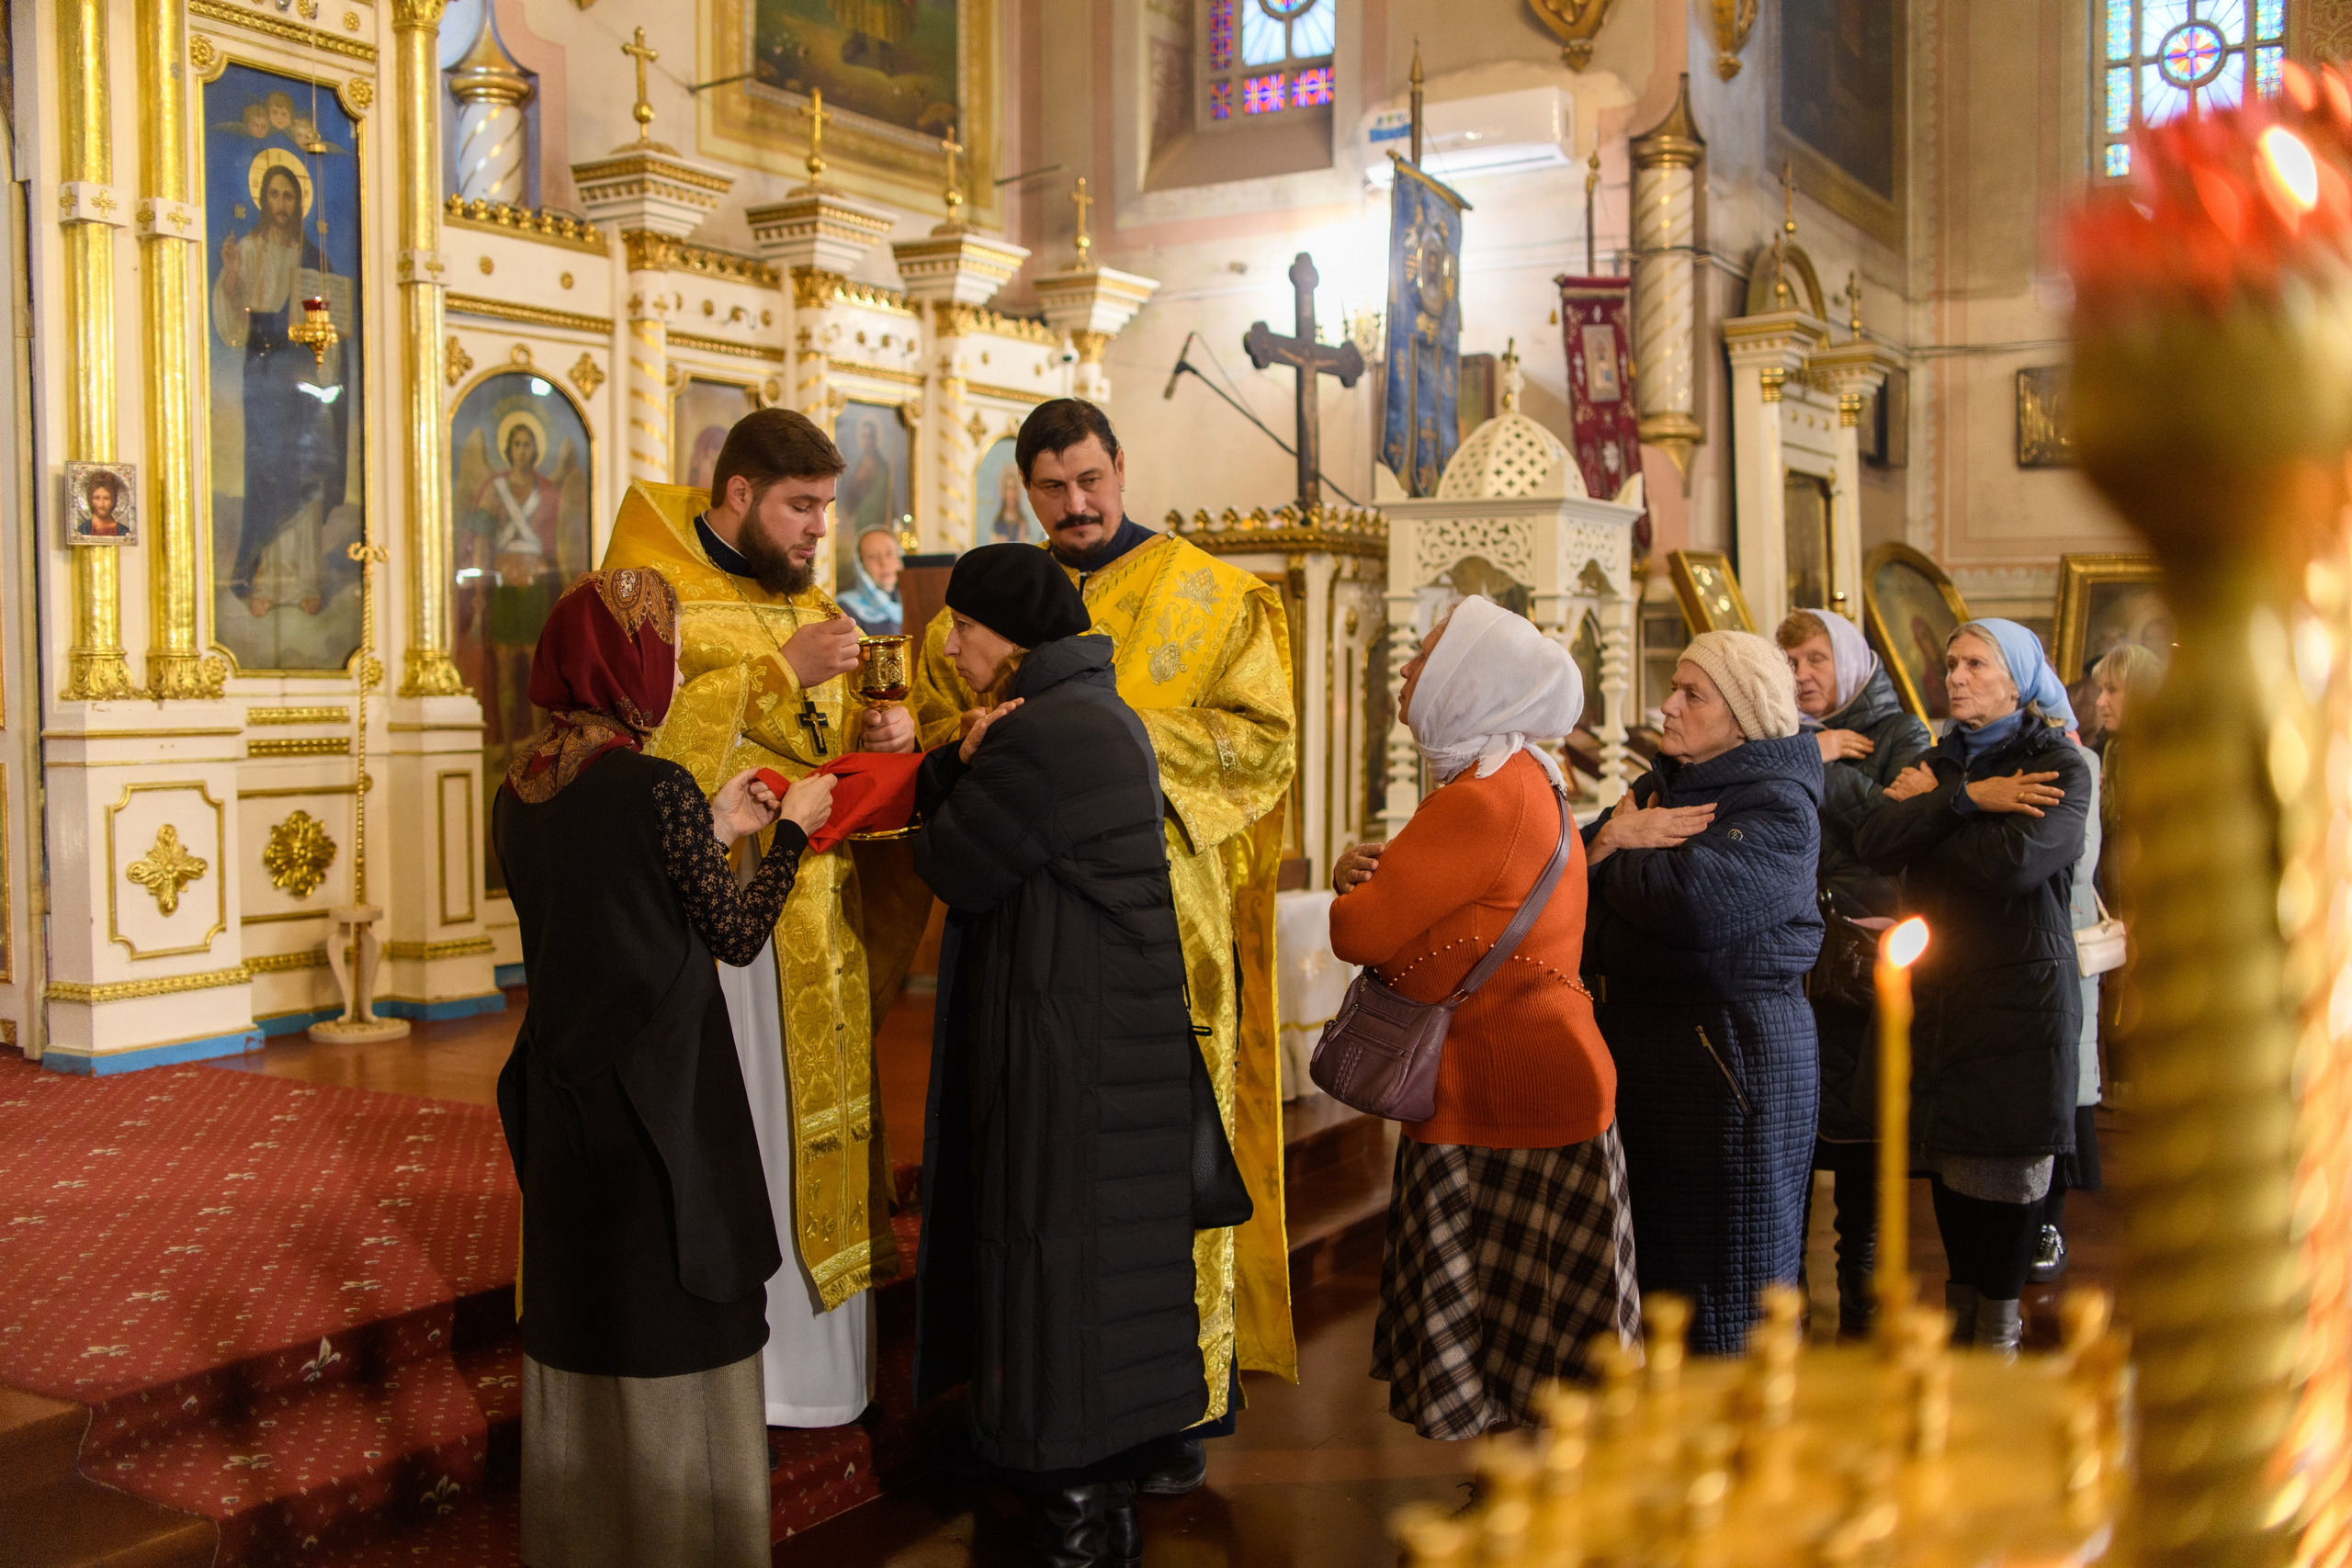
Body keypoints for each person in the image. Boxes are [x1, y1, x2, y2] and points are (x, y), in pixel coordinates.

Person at [895, 399, 1296, 1493]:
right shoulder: (983, 601)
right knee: (1054, 1184)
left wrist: (1100, 742)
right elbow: (947, 727)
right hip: (1025, 920)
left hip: (1167, 921)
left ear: (1121, 467)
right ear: (1023, 491)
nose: (1076, 506)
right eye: (1051, 489)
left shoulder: (1216, 596)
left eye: (1090, 481)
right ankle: (1051, 1395)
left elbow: (1262, 750)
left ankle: (1175, 1396)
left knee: (1148, 1170)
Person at [492, 568, 840, 1568]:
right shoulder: (652, 786)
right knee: (672, 1311)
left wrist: (714, 825)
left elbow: (609, 893)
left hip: (564, 1094)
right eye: (668, 649)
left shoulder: (519, 787)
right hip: (661, 1100)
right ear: (626, 660)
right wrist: (789, 835)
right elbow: (731, 936)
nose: (675, 665)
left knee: (589, 1310)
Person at [599, 409, 918, 1430]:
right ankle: (749, 1376)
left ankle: (820, 1376)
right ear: (736, 494)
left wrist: (877, 730)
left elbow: (815, 740)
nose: (816, 529)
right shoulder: (651, 594)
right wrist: (779, 674)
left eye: (826, 508)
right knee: (747, 1133)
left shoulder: (806, 595)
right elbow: (634, 750)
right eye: (798, 507)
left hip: (814, 911)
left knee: (810, 1133)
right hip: (719, 914)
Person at [910, 545, 1219, 1567]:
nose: (949, 644)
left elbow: (956, 864)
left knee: (1055, 1251)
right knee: (1105, 1251)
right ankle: (1107, 1478)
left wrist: (941, 771)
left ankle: (1074, 1512)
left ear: (1008, 634)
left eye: (961, 627)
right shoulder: (1102, 710)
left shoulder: (1042, 733)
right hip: (1102, 1028)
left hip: (1065, 1038)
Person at [1329, 596, 1637, 1438]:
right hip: (1549, 1070)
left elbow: (1359, 931)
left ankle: (1525, 1507)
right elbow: (1474, 913)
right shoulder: (1533, 773)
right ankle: (1544, 1494)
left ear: (1471, 682)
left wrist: (1355, 886)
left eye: (1425, 654)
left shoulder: (1478, 798)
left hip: (1501, 1086)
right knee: (1550, 1314)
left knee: (1504, 1311)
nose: (1405, 667)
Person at [1579, 630, 1823, 1357]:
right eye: (1674, 687)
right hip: (1660, 1059)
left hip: (1734, 1063)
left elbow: (1693, 907)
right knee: (1659, 1278)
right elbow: (1575, 894)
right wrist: (1613, 843)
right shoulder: (1659, 791)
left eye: (1693, 693)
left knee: (1732, 1276)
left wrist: (1616, 848)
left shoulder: (1779, 805)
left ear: (1743, 717)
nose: (1669, 704)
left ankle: (1737, 1453)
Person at [1855, 619, 2090, 1354]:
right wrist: (1967, 799)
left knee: (2014, 1170)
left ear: (2016, 680)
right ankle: (1962, 1323)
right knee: (1952, 1163)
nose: (1955, 676)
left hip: (2022, 1000)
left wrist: (1938, 806)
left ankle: (2001, 1325)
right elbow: (1874, 842)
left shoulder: (2061, 763)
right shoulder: (1942, 763)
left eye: (1975, 664)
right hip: (1947, 996)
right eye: (1951, 663)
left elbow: (2014, 865)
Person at [1778, 607, 1931, 1338]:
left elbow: (1887, 832)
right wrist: (1813, 752)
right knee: (1795, 1143)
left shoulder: (1901, 733)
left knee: (1865, 1146)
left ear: (1847, 658)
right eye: (1792, 664)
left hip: (1863, 966)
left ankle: (1863, 1309)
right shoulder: (1793, 736)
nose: (1803, 676)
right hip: (1792, 961)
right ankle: (1790, 1305)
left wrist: (1808, 758)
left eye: (1815, 659)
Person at [212, 159, 348, 617]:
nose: (282, 204)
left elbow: (328, 326)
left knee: (304, 467)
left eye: (289, 195)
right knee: (269, 469)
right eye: (273, 195)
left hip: (304, 373)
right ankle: (265, 579)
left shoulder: (316, 261)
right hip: (265, 372)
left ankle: (305, 580)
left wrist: (327, 361)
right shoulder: (248, 250)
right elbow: (234, 322)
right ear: (263, 200)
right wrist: (231, 273)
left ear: (300, 203)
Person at [838, 526, 904, 635]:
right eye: (873, 556)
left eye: (890, 553)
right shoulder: (846, 609)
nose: (884, 563)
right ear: (860, 564)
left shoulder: (913, 602)